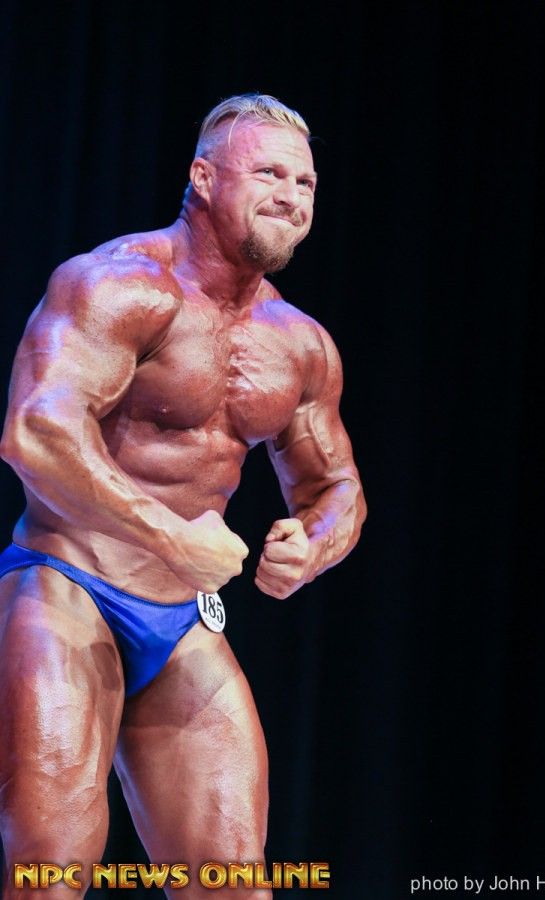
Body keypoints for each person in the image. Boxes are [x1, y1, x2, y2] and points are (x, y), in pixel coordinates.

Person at [0, 93, 366, 898]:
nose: (292, 196)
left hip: (180, 620)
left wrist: (311, 545)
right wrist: (169, 534)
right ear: (203, 177)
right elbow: (35, 432)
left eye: (305, 183)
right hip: (67, 587)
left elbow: (337, 486)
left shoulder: (300, 344)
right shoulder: (116, 285)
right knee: (50, 870)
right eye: (269, 173)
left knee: (233, 882)